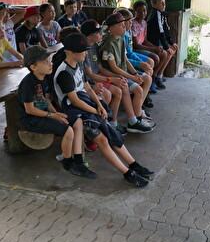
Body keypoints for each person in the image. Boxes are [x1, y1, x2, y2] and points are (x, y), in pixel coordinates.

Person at [53, 33, 154, 187]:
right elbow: (74, 101)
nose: (86, 53)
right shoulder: (64, 73)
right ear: (72, 52)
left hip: (87, 105)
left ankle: (133, 165)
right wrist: (95, 110)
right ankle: (127, 173)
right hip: (75, 110)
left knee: (112, 134)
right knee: (103, 140)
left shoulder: (78, 63)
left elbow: (87, 87)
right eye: (83, 51)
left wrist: (99, 105)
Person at [17, 45, 95, 178]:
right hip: (31, 119)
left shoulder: (46, 77)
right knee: (67, 130)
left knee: (77, 121)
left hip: (44, 114)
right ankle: (67, 162)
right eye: (45, 62)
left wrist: (56, 114)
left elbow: (46, 100)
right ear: (33, 67)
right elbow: (29, 110)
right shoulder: (27, 84)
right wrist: (52, 115)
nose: (50, 64)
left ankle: (78, 161)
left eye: (50, 60)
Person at [98, 13, 154, 133]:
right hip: (114, 74)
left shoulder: (121, 40)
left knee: (144, 81)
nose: (125, 27)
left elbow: (126, 60)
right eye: (121, 25)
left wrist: (135, 74)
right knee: (137, 89)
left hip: (124, 72)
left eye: (124, 24)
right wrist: (132, 77)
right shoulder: (108, 44)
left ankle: (135, 118)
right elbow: (114, 68)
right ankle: (134, 120)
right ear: (111, 28)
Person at [80, 19, 126, 134]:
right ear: (90, 36)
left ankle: (113, 123)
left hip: (97, 76)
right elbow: (90, 75)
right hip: (89, 81)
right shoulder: (83, 50)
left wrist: (117, 75)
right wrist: (110, 79)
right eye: (99, 32)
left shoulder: (95, 45)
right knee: (107, 93)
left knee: (119, 90)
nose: (102, 34)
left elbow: (100, 68)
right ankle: (99, 126)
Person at [114, 7, 157, 95]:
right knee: (147, 73)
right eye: (129, 21)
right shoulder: (119, 38)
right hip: (124, 66)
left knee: (149, 63)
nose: (131, 23)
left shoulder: (127, 33)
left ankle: (147, 89)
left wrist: (141, 62)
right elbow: (123, 60)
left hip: (128, 60)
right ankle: (143, 91)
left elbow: (129, 52)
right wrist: (139, 64)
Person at [132, 0, 173, 88]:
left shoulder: (144, 23)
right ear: (134, 12)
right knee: (155, 58)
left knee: (164, 53)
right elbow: (136, 45)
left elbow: (145, 40)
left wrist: (156, 47)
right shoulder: (133, 24)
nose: (143, 13)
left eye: (145, 11)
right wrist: (153, 49)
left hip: (142, 46)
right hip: (137, 48)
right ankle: (150, 80)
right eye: (140, 11)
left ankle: (155, 76)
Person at [146, 0, 178, 89]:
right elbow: (161, 32)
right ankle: (155, 76)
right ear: (154, 5)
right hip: (153, 42)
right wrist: (167, 47)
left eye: (164, 3)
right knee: (167, 52)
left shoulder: (162, 14)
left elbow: (166, 30)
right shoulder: (155, 13)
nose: (164, 5)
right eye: (161, 3)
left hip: (159, 40)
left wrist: (172, 43)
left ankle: (159, 74)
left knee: (173, 49)